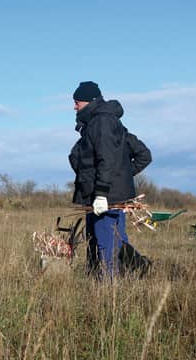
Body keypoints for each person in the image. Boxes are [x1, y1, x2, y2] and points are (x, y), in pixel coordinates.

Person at [69, 81, 152, 279]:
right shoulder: (104, 123)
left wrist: (103, 192)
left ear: (89, 102)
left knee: (106, 243)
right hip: (106, 194)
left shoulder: (102, 122)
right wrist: (121, 176)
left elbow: (107, 158)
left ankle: (109, 288)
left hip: (105, 197)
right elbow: (141, 155)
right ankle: (136, 268)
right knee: (112, 240)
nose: (74, 106)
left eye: (77, 102)